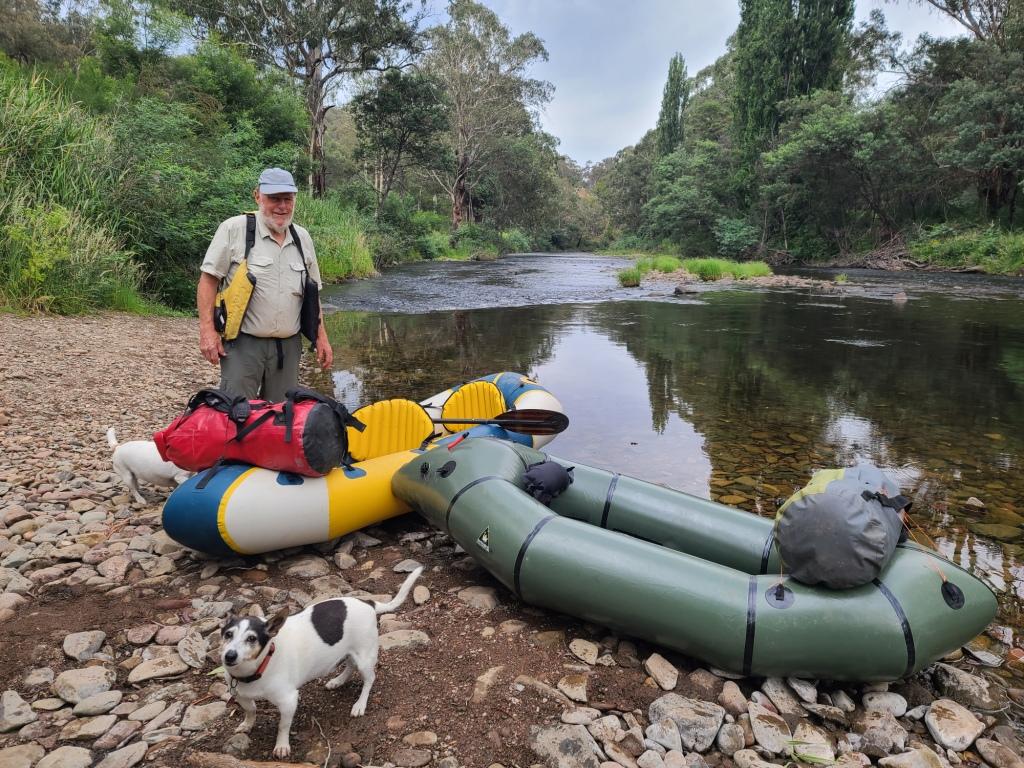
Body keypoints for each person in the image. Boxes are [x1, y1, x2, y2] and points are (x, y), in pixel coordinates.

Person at [197, 168, 333, 401]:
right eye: (274, 199)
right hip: (243, 344)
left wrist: (322, 338)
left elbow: (312, 295)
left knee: (281, 419)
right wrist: (207, 332)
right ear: (258, 196)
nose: (282, 206)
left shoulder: (302, 238)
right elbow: (208, 281)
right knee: (236, 416)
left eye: (287, 199)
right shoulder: (234, 228)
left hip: (288, 348)